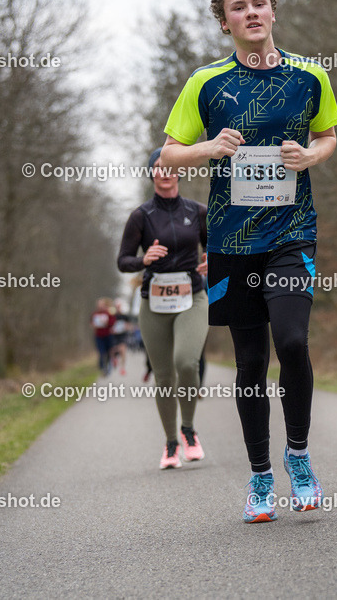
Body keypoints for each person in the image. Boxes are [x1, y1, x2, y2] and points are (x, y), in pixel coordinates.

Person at [160, 0, 337, 522]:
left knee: (292, 341)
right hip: (232, 241)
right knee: (251, 361)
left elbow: (328, 136)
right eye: (238, 7)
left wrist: (311, 156)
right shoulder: (205, 82)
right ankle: (261, 477)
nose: (251, 13)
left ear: (273, 10)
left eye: (258, 3)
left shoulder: (310, 76)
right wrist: (209, 147)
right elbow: (168, 155)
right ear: (225, 22)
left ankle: (298, 456)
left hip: (292, 231)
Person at [118, 147, 210, 469]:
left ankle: (189, 431)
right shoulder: (141, 216)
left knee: (186, 362)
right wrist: (144, 260)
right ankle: (171, 444)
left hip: (192, 297)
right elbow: (123, 261)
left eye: (170, 165)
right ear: (151, 173)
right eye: (158, 167)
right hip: (154, 302)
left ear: (179, 170)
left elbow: (216, 247)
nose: (165, 171)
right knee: (163, 375)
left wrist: (213, 261)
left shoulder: (197, 211)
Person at [90, 298, 115, 375]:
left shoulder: (109, 313)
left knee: (108, 352)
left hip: (108, 335)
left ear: (105, 305)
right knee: (101, 352)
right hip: (99, 336)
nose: (100, 306)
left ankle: (108, 365)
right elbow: (91, 323)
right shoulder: (95, 314)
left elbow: (113, 323)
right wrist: (93, 325)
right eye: (99, 304)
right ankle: (102, 367)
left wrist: (106, 322)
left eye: (102, 304)